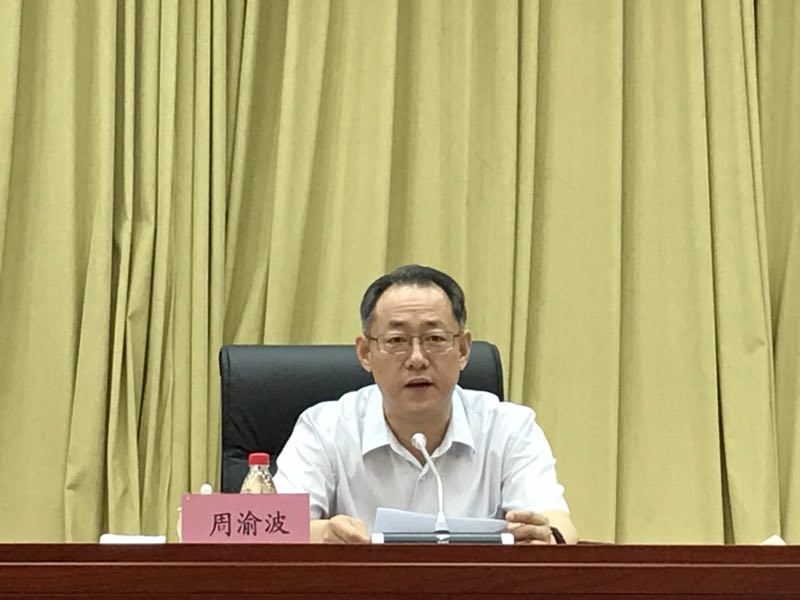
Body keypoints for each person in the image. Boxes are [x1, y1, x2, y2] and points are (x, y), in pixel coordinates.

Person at [273, 264, 578, 544]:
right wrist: (324, 533)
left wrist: (548, 536)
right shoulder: (325, 428)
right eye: (396, 340)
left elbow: (555, 521)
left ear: (462, 349)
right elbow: (271, 528)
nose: (417, 359)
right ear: (365, 353)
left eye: (434, 339)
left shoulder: (509, 428)